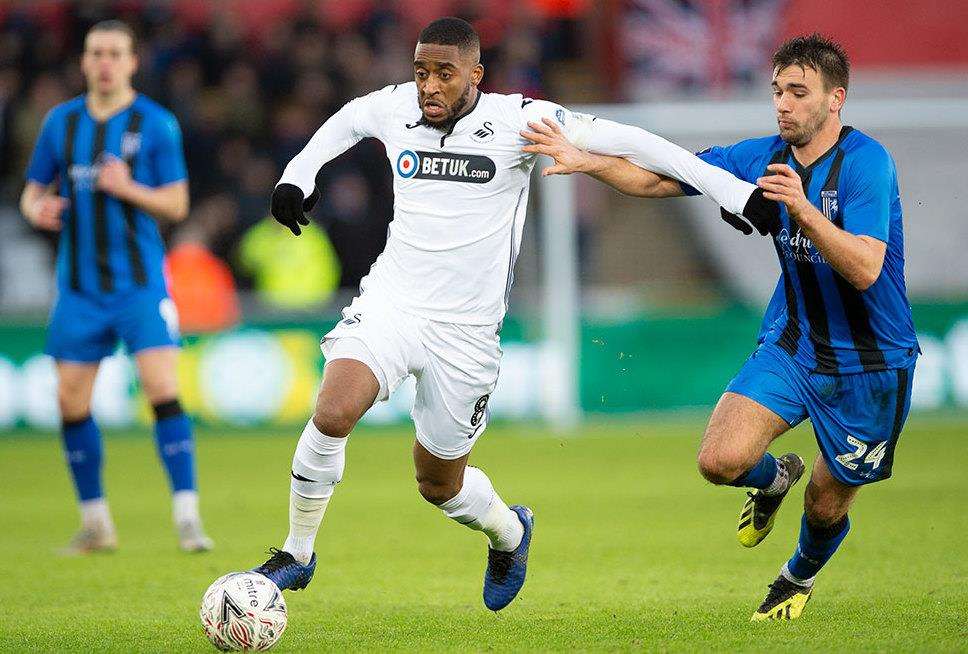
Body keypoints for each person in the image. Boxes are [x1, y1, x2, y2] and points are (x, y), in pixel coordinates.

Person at [252, 17, 777, 611]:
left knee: (439, 485)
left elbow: (633, 140)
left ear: (476, 75)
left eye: (444, 74)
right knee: (334, 408)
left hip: (467, 335)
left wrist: (732, 193)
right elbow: (346, 121)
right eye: (421, 72)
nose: (429, 86)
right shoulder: (393, 108)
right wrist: (297, 174)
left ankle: (510, 532)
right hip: (393, 305)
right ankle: (296, 555)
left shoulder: (517, 120)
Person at [520, 33, 917, 621]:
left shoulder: (867, 164)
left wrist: (803, 209)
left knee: (827, 504)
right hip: (796, 344)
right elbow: (661, 179)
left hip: (872, 363)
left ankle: (796, 576)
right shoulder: (762, 157)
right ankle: (773, 479)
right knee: (719, 461)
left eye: (798, 92)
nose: (783, 103)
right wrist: (588, 163)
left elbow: (865, 268)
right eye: (778, 90)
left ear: (836, 100)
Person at [20, 20, 213, 553]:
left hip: (139, 285)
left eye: (115, 54)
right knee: (69, 399)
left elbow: (176, 204)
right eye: (96, 53)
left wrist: (127, 188)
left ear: (132, 63)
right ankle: (96, 523)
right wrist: (38, 208)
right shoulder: (61, 123)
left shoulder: (156, 124)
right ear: (83, 62)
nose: (105, 62)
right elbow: (30, 193)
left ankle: (187, 515)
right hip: (79, 289)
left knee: (162, 391)